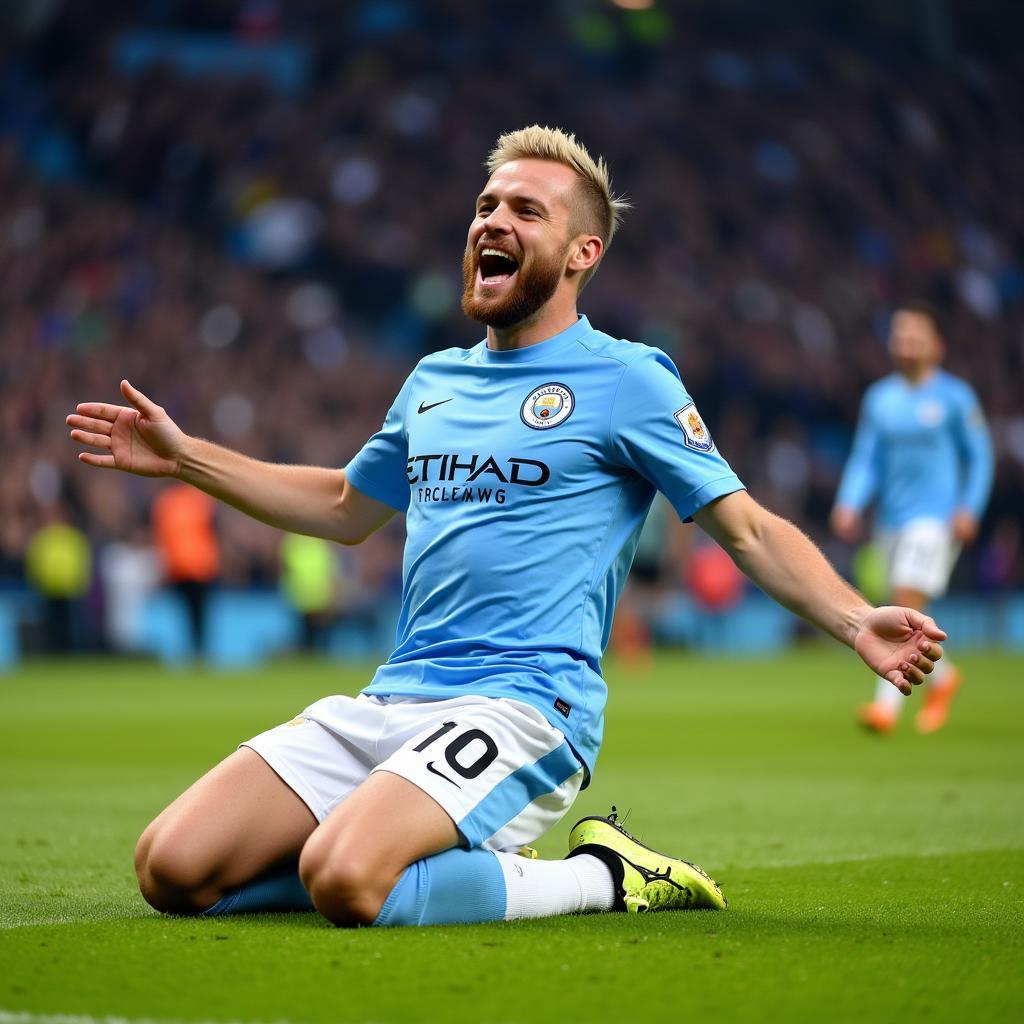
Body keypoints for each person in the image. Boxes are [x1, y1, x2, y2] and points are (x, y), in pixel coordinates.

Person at [68, 126, 947, 928]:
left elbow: (747, 528)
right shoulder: (434, 379)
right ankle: (419, 849)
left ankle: (603, 876)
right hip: (394, 697)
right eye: (486, 205)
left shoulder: (627, 380)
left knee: (345, 880)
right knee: (171, 870)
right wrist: (187, 459)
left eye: (527, 210)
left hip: (526, 705)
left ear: (581, 253)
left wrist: (851, 617)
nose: (494, 219)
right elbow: (343, 507)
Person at [831, 302, 993, 734]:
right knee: (900, 606)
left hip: (935, 520)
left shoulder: (956, 398)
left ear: (935, 346)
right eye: (899, 336)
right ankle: (945, 677)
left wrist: (969, 508)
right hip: (891, 520)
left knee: (901, 602)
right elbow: (867, 457)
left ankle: (886, 705)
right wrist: (849, 501)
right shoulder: (880, 399)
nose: (906, 344)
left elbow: (979, 458)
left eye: (914, 336)